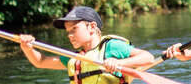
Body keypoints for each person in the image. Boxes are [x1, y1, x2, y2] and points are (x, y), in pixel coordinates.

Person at [19, 6, 154, 84]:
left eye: (74, 29)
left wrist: (120, 63)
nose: (69, 35)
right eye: (67, 31)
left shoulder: (112, 47)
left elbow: (148, 57)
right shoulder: (74, 58)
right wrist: (27, 48)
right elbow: (41, 62)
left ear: (92, 27)